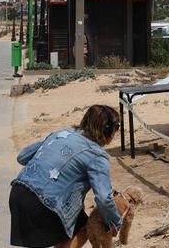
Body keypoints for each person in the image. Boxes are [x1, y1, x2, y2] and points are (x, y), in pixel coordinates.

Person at [10, 105, 123, 248]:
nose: (116, 132)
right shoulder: (97, 156)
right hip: (45, 205)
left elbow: (22, 157)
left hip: (18, 193)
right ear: (107, 129)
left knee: (69, 225)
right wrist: (116, 222)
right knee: (84, 228)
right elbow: (103, 198)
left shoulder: (61, 132)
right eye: (116, 127)